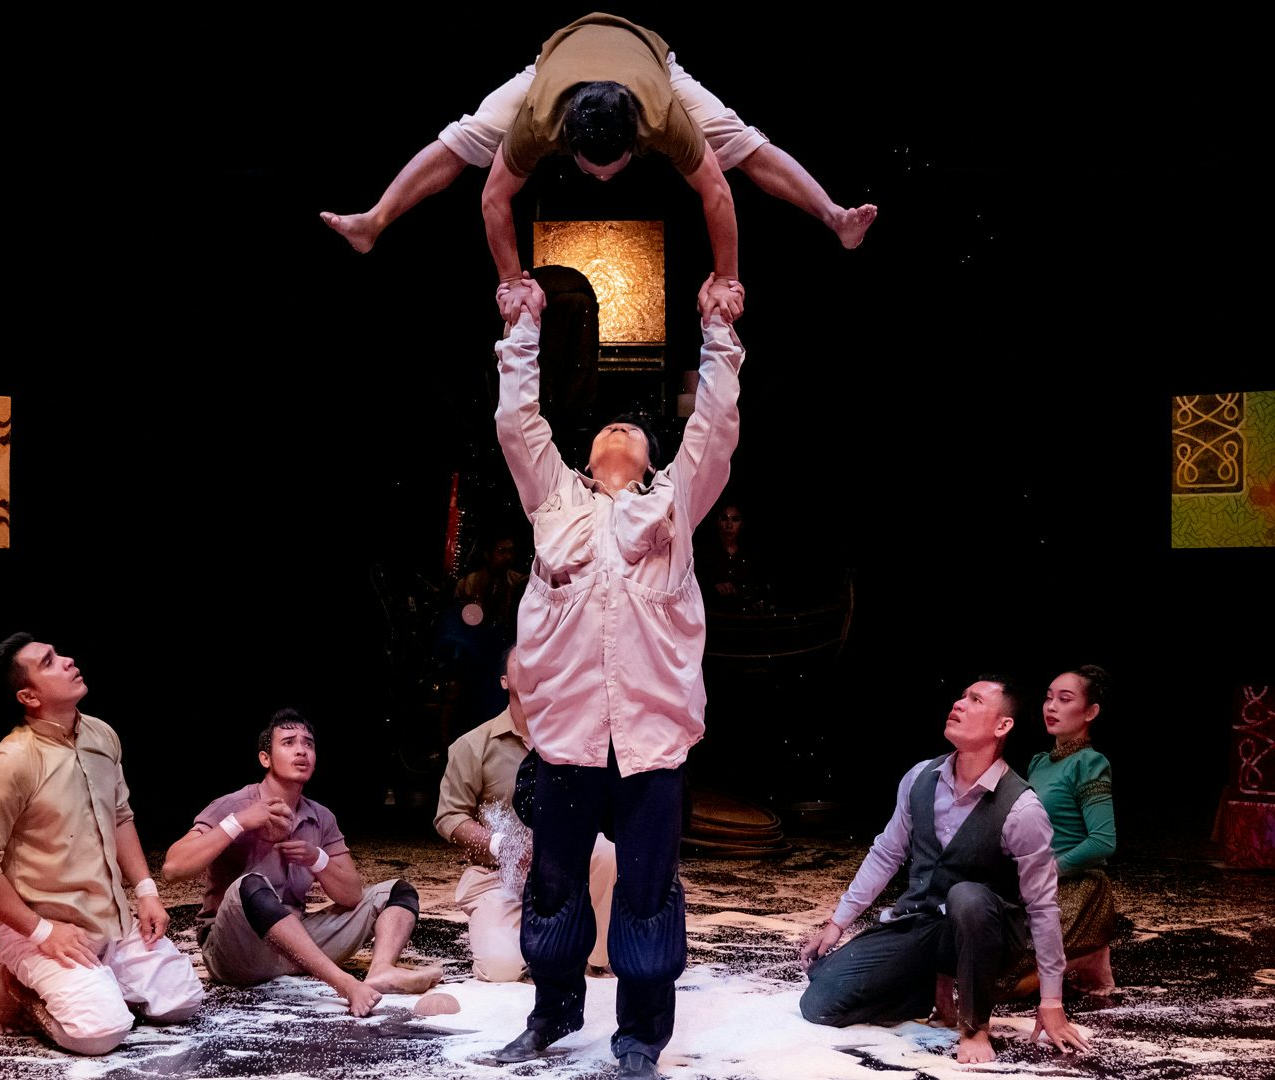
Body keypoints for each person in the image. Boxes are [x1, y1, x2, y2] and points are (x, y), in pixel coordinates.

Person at [486, 273, 742, 1078]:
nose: (620, 432)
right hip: (566, 739)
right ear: (588, 458)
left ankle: (639, 1041)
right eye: (607, 429)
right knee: (555, 887)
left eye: (633, 429)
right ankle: (552, 1014)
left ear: (648, 458)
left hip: (650, 742)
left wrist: (720, 333)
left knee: (643, 894)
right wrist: (521, 328)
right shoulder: (554, 501)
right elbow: (515, 422)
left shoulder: (672, 508)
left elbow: (714, 428)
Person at [320, 13, 875, 261]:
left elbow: (719, 192)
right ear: (567, 139)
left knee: (740, 140)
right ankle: (374, 220)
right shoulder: (539, 117)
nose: (602, 179)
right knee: (469, 136)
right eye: (592, 168)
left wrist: (728, 277)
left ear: (638, 140)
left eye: (610, 168)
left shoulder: (663, 114)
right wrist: (510, 280)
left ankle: (833, 215)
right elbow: (493, 196)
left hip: (652, 60)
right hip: (553, 63)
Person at [798, 677, 1090, 1065]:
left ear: (1002, 726)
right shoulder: (921, 777)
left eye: (975, 700)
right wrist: (838, 922)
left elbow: (1042, 907)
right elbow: (887, 853)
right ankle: (925, 986)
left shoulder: (1022, 809)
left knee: (967, 896)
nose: (959, 703)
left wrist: (1051, 1001)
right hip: (923, 924)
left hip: (986, 934)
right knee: (820, 1000)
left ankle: (975, 1024)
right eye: (961, 696)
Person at [0, 634, 202, 1055]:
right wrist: (42, 931)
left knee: (182, 1002)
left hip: (110, 918)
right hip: (44, 928)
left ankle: (96, 979)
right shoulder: (11, 762)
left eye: (59, 654)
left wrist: (145, 892)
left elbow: (121, 816)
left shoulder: (101, 735)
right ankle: (18, 988)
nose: (68, 660)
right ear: (28, 696)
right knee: (99, 1034)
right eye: (49, 662)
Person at [162, 709, 440, 1016]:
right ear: (265, 758)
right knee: (250, 885)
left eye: (308, 744)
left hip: (296, 946)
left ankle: (382, 969)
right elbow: (173, 869)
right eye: (289, 742)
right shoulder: (234, 805)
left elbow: (351, 896)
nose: (301, 750)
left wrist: (316, 859)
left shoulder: (320, 817)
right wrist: (238, 822)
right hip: (237, 951)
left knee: (396, 891)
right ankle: (345, 984)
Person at [435, 646, 617, 982]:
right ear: (504, 680)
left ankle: (595, 954)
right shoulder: (474, 745)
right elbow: (450, 817)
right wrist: (503, 847)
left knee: (605, 849)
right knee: (501, 969)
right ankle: (530, 943)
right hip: (499, 878)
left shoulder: (573, 741)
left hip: (564, 869)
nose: (532, 660)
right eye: (521, 657)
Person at [1026, 666, 1119, 994]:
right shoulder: (1040, 763)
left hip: (1077, 888)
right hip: (1034, 889)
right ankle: (1087, 957)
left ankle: (1091, 951)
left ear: (1091, 711)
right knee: (979, 968)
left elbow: (1103, 841)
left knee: (1011, 983)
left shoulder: (1090, 763)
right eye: (1048, 698)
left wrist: (1051, 869)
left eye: (1064, 699)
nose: (1051, 707)